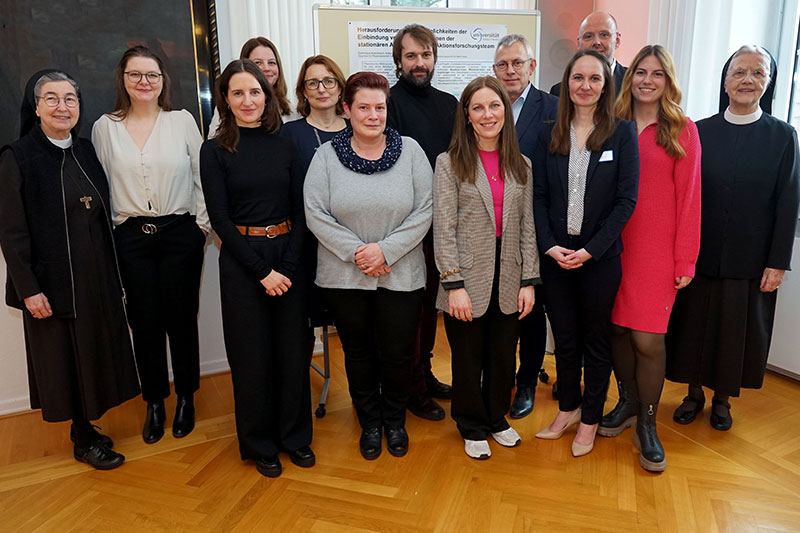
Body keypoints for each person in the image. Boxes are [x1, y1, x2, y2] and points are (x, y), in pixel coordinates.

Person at [0, 70, 140, 469]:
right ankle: (81, 437)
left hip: (95, 278)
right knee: (66, 360)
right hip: (53, 283)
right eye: (52, 99)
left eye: (70, 99)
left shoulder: (85, 150)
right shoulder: (18, 156)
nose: (63, 107)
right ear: (36, 106)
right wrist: (29, 289)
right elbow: (11, 232)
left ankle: (89, 426)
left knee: (93, 353)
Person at [666, 45, 800, 431]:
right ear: (725, 82)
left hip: (750, 258)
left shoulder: (783, 136)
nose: (747, 80)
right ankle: (693, 394)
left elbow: (787, 203)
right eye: (739, 72)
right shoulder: (699, 131)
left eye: (757, 73)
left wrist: (778, 262)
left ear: (768, 83)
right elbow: (683, 196)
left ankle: (723, 400)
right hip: (699, 254)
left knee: (733, 335)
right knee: (693, 328)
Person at [304, 72, 432, 460]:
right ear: (347, 109)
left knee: (396, 354)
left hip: (401, 272)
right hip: (344, 275)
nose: (373, 115)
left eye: (380, 107)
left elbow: (425, 209)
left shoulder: (410, 151)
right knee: (358, 355)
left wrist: (385, 252)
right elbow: (315, 213)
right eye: (364, 107)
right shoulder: (326, 156)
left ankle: (394, 421)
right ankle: (370, 424)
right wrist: (360, 253)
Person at [200, 59, 313, 478]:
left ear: (267, 97)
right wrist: (262, 272)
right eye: (238, 93)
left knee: (291, 352)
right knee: (252, 358)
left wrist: (286, 264)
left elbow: (302, 209)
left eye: (255, 92)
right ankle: (260, 443)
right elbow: (220, 217)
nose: (248, 100)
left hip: (288, 258)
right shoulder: (214, 150)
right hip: (242, 262)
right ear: (226, 101)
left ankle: (295, 437)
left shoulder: (286, 143)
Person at [92, 46, 209, 444]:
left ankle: (187, 397)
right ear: (122, 79)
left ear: (163, 81)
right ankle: (155, 402)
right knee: (143, 323)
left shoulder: (181, 121)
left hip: (180, 235)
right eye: (135, 74)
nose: (144, 82)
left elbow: (202, 178)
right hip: (131, 239)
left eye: (152, 75)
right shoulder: (105, 127)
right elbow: (101, 187)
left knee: (181, 319)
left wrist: (201, 229)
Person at [600, 45, 701, 472]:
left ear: (668, 80)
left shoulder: (682, 129)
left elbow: (690, 200)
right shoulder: (610, 124)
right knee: (618, 333)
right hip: (610, 246)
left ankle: (648, 422)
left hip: (658, 251)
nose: (646, 80)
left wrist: (685, 261)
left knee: (647, 338)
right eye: (640, 71)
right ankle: (625, 403)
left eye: (657, 74)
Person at [533, 50, 639, 457]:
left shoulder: (621, 134)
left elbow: (626, 202)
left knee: (595, 342)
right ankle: (568, 409)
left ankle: (590, 419)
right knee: (565, 340)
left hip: (600, 260)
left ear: (605, 85)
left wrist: (592, 251)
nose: (586, 86)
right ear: (567, 83)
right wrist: (549, 246)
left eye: (595, 79)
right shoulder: (550, 132)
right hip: (557, 257)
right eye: (578, 77)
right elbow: (540, 197)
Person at [434, 76, 538, 460]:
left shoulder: (521, 163)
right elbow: (443, 228)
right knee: (467, 357)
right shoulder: (450, 163)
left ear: (505, 111)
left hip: (509, 276)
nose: (487, 114)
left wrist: (529, 281)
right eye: (478, 107)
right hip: (466, 277)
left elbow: (527, 226)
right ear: (467, 115)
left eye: (494, 106)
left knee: (501, 354)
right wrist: (453, 284)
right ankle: (470, 422)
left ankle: (496, 418)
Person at [386, 24, 456, 422]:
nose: (419, 63)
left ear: (434, 58)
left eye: (425, 55)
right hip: (407, 227)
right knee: (410, 313)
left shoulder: (450, 104)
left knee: (432, 308)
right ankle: (410, 387)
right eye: (411, 56)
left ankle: (424, 374)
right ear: (399, 60)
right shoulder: (389, 104)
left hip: (442, 224)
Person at [493, 33, 559, 419]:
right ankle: (497, 377)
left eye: (518, 63)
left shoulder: (553, 108)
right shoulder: (484, 106)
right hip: (492, 227)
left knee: (530, 311)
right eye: (503, 64)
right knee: (498, 311)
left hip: (537, 227)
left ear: (532, 66)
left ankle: (527, 382)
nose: (511, 70)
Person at [280, 55, 348, 359]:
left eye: (328, 80)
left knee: (353, 326)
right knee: (303, 323)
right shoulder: (289, 134)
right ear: (303, 91)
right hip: (306, 244)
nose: (322, 88)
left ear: (339, 86)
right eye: (313, 82)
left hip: (352, 245)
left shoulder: (357, 128)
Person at [208, 36, 293, 135]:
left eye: (271, 62)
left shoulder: (291, 109)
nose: (266, 68)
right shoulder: (230, 107)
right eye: (258, 62)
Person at [550, 11, 627, 96]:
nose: (596, 42)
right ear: (579, 44)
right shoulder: (560, 91)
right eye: (588, 36)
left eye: (604, 35)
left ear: (617, 41)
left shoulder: (632, 83)